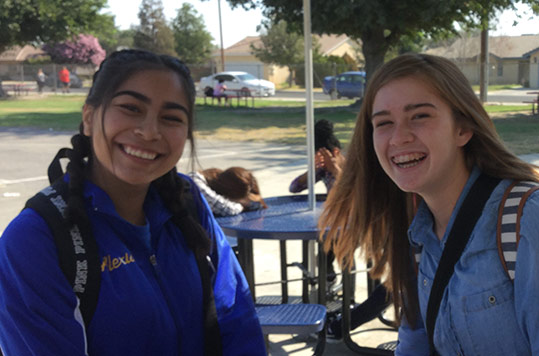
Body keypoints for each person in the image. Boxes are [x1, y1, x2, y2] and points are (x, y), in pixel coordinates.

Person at [318, 53, 539, 355]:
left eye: (419, 116)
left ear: (463, 129)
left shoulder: (538, 220)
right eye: (383, 123)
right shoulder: (416, 234)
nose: (398, 137)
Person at [0, 49, 266, 355]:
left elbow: (236, 319)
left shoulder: (187, 201)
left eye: (171, 118)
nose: (149, 132)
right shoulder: (35, 240)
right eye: (130, 108)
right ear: (89, 118)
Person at [289, 119, 390, 341]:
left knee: (344, 253)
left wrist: (336, 168)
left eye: (326, 155)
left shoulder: (354, 166)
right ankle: (330, 284)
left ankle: (348, 298)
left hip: (364, 224)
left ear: (336, 151)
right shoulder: (323, 171)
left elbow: (357, 194)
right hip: (338, 225)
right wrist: (312, 171)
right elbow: (294, 188)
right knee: (325, 250)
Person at [192, 167, 268, 217]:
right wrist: (242, 206)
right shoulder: (195, 182)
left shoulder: (219, 179)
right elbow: (227, 209)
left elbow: (259, 203)